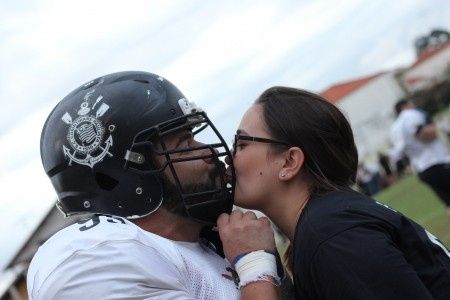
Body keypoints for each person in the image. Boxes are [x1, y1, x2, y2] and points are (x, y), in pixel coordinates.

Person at [217, 87, 450, 299]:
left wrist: (253, 269)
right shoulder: (329, 221)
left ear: (289, 162)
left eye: (242, 143)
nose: (229, 156)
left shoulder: (332, 236)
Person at [27, 71, 240, 299]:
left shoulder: (200, 242)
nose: (207, 151)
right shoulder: (96, 256)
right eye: (182, 143)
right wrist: (257, 269)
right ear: (128, 175)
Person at [390, 99, 450, 216]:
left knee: (448, 202)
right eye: (411, 103)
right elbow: (425, 134)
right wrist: (432, 126)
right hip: (436, 162)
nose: (414, 105)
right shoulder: (411, 115)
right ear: (404, 106)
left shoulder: (394, 128)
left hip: (422, 169)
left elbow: (398, 152)